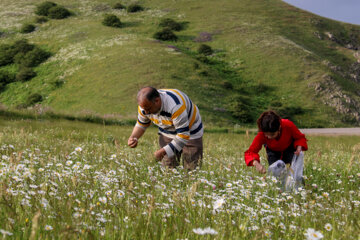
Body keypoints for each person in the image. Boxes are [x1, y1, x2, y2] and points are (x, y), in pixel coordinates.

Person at [127, 87, 203, 170]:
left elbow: (183, 136)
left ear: (157, 101)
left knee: (191, 165)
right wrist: (133, 137)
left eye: (149, 109)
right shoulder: (144, 106)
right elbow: (142, 124)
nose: (147, 113)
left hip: (190, 129)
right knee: (168, 166)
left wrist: (162, 152)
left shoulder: (175, 106)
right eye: (144, 109)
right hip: (167, 130)